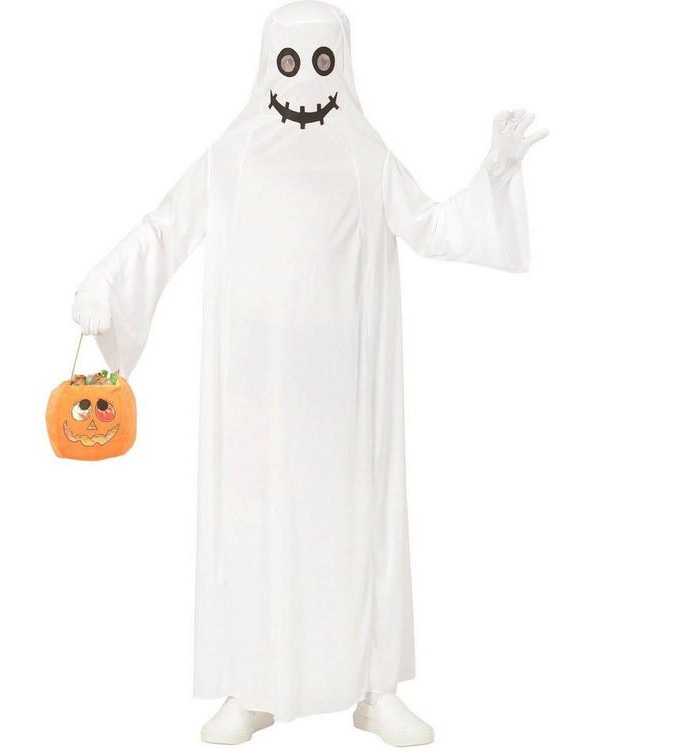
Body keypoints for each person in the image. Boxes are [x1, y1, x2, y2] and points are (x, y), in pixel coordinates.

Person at [72, 2, 547, 745]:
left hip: (347, 392)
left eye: (322, 62)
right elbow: (166, 227)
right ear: (268, 63)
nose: (305, 83)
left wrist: (495, 175)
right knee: (253, 524)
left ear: (343, 64)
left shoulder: (365, 154)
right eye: (290, 63)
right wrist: (104, 281)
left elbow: (431, 227)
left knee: (360, 526)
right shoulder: (232, 156)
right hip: (255, 388)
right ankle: (252, 687)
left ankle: (375, 689)